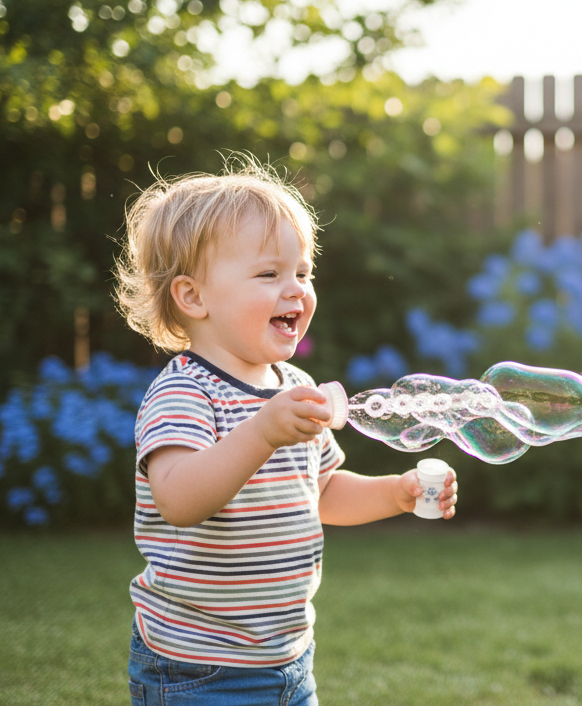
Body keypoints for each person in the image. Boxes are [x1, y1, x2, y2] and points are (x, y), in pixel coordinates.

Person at [113, 158, 457, 704]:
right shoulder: (184, 392)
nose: (295, 288)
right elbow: (178, 499)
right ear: (193, 297)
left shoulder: (294, 385)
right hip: (198, 666)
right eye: (269, 274)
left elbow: (320, 492)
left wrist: (395, 491)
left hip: (289, 657)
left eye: (303, 272)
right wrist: (263, 432)